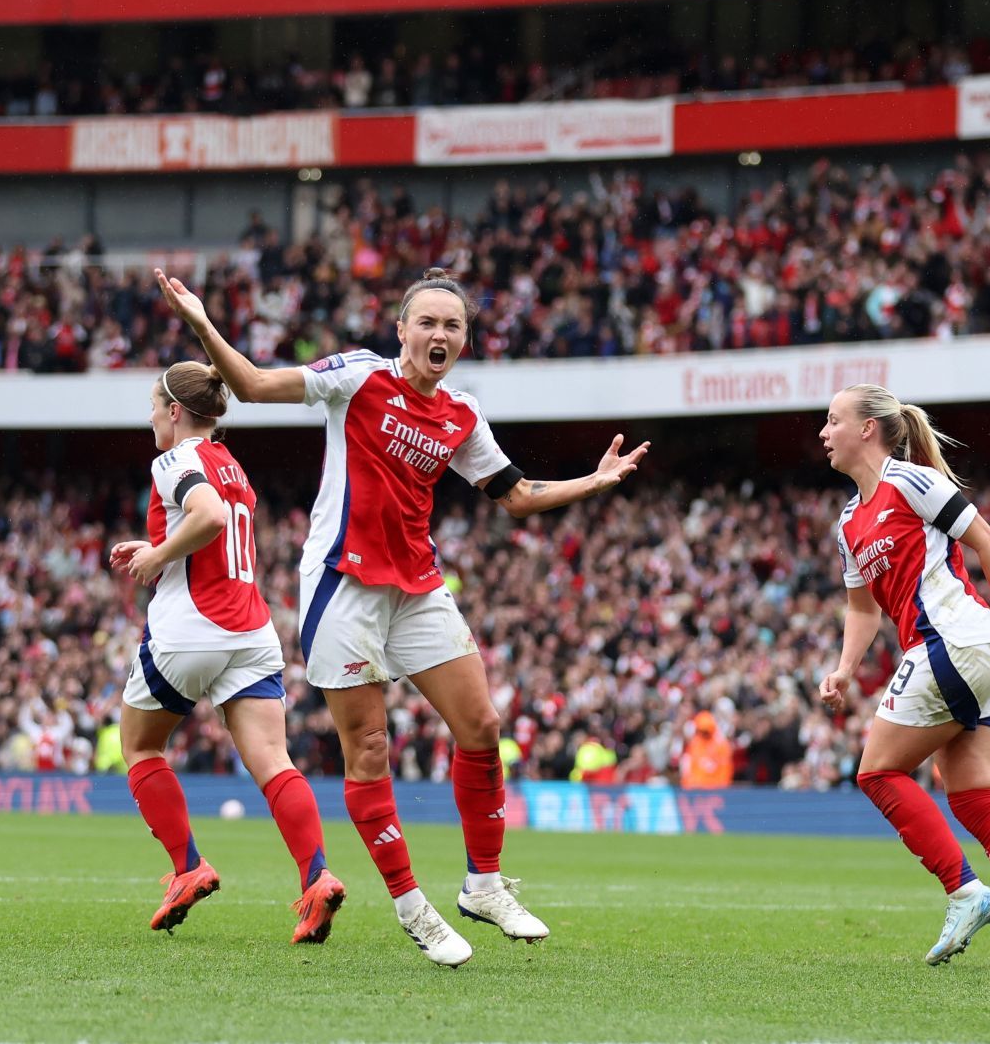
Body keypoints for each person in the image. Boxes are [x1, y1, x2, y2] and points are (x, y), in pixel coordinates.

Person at [156, 265, 648, 967]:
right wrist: (203, 324)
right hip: (342, 586)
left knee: (481, 725)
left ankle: (483, 883)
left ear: (464, 339)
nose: (439, 333)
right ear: (402, 330)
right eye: (428, 322)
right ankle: (412, 905)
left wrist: (593, 481)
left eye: (453, 325)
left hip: (417, 584)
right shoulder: (357, 376)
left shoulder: (462, 414)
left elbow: (513, 493)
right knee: (371, 749)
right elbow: (257, 386)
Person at [816, 384, 990, 972]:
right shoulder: (849, 522)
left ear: (867, 428)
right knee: (972, 798)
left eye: (833, 419)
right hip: (970, 652)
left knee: (876, 772)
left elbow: (988, 542)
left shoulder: (911, 481)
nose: (824, 431)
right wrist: (844, 669)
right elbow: (863, 608)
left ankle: (965, 892)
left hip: (957, 642)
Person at [107, 361, 345, 944]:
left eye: (152, 407)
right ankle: (316, 878)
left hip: (191, 628)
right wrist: (161, 545)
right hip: (252, 632)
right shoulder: (231, 465)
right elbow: (216, 525)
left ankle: (188, 867)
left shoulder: (174, 458)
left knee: (139, 746)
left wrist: (158, 559)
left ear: (173, 411)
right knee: (274, 764)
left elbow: (207, 518)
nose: (149, 419)